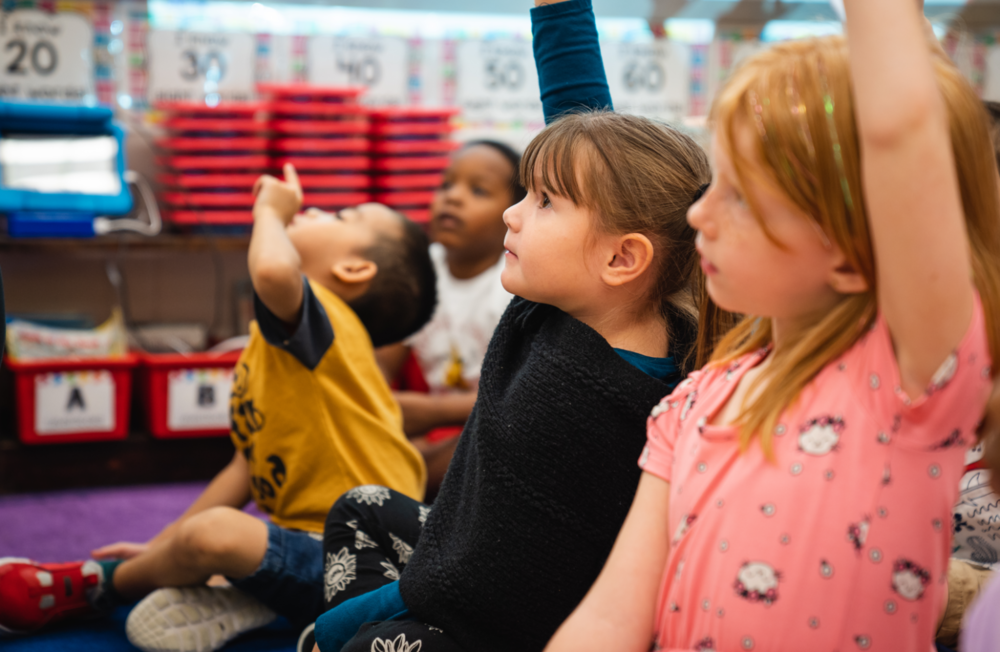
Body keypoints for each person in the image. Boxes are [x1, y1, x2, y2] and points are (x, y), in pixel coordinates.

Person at [544, 1, 1000, 651]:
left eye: (739, 195)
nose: (699, 215)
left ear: (850, 244)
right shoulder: (694, 401)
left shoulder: (906, 379)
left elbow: (904, 127)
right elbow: (612, 617)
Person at [0, 164, 436, 652]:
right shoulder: (285, 348)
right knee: (205, 537)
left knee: (215, 536)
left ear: (353, 270)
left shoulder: (328, 324)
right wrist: (165, 545)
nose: (312, 209)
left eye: (339, 216)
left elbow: (272, 270)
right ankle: (257, 599)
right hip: (304, 548)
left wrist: (270, 209)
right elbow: (247, 468)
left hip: (362, 564)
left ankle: (99, 584)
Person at [376, 140, 525, 495]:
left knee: (461, 458)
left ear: (514, 212)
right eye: (446, 185)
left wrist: (434, 411)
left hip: (495, 424)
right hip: (431, 428)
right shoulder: (420, 270)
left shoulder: (516, 283)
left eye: (477, 190)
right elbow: (381, 362)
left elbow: (521, 395)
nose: (452, 198)